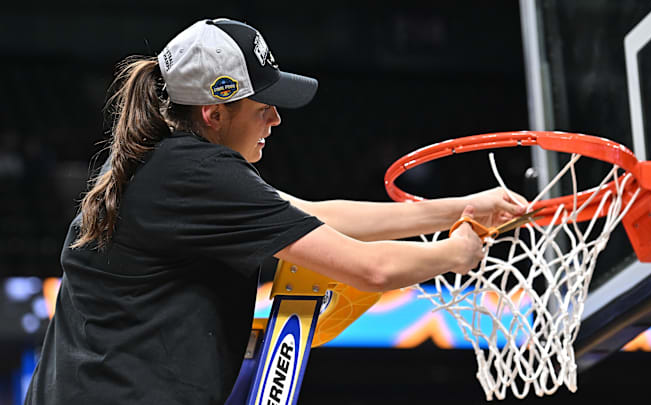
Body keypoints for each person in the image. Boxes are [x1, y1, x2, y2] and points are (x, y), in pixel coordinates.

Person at [25, 18, 527, 405]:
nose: (276, 116)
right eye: (261, 104)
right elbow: (372, 269)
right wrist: (458, 251)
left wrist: (463, 206)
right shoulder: (198, 173)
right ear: (214, 114)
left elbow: (314, 214)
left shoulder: (160, 163)